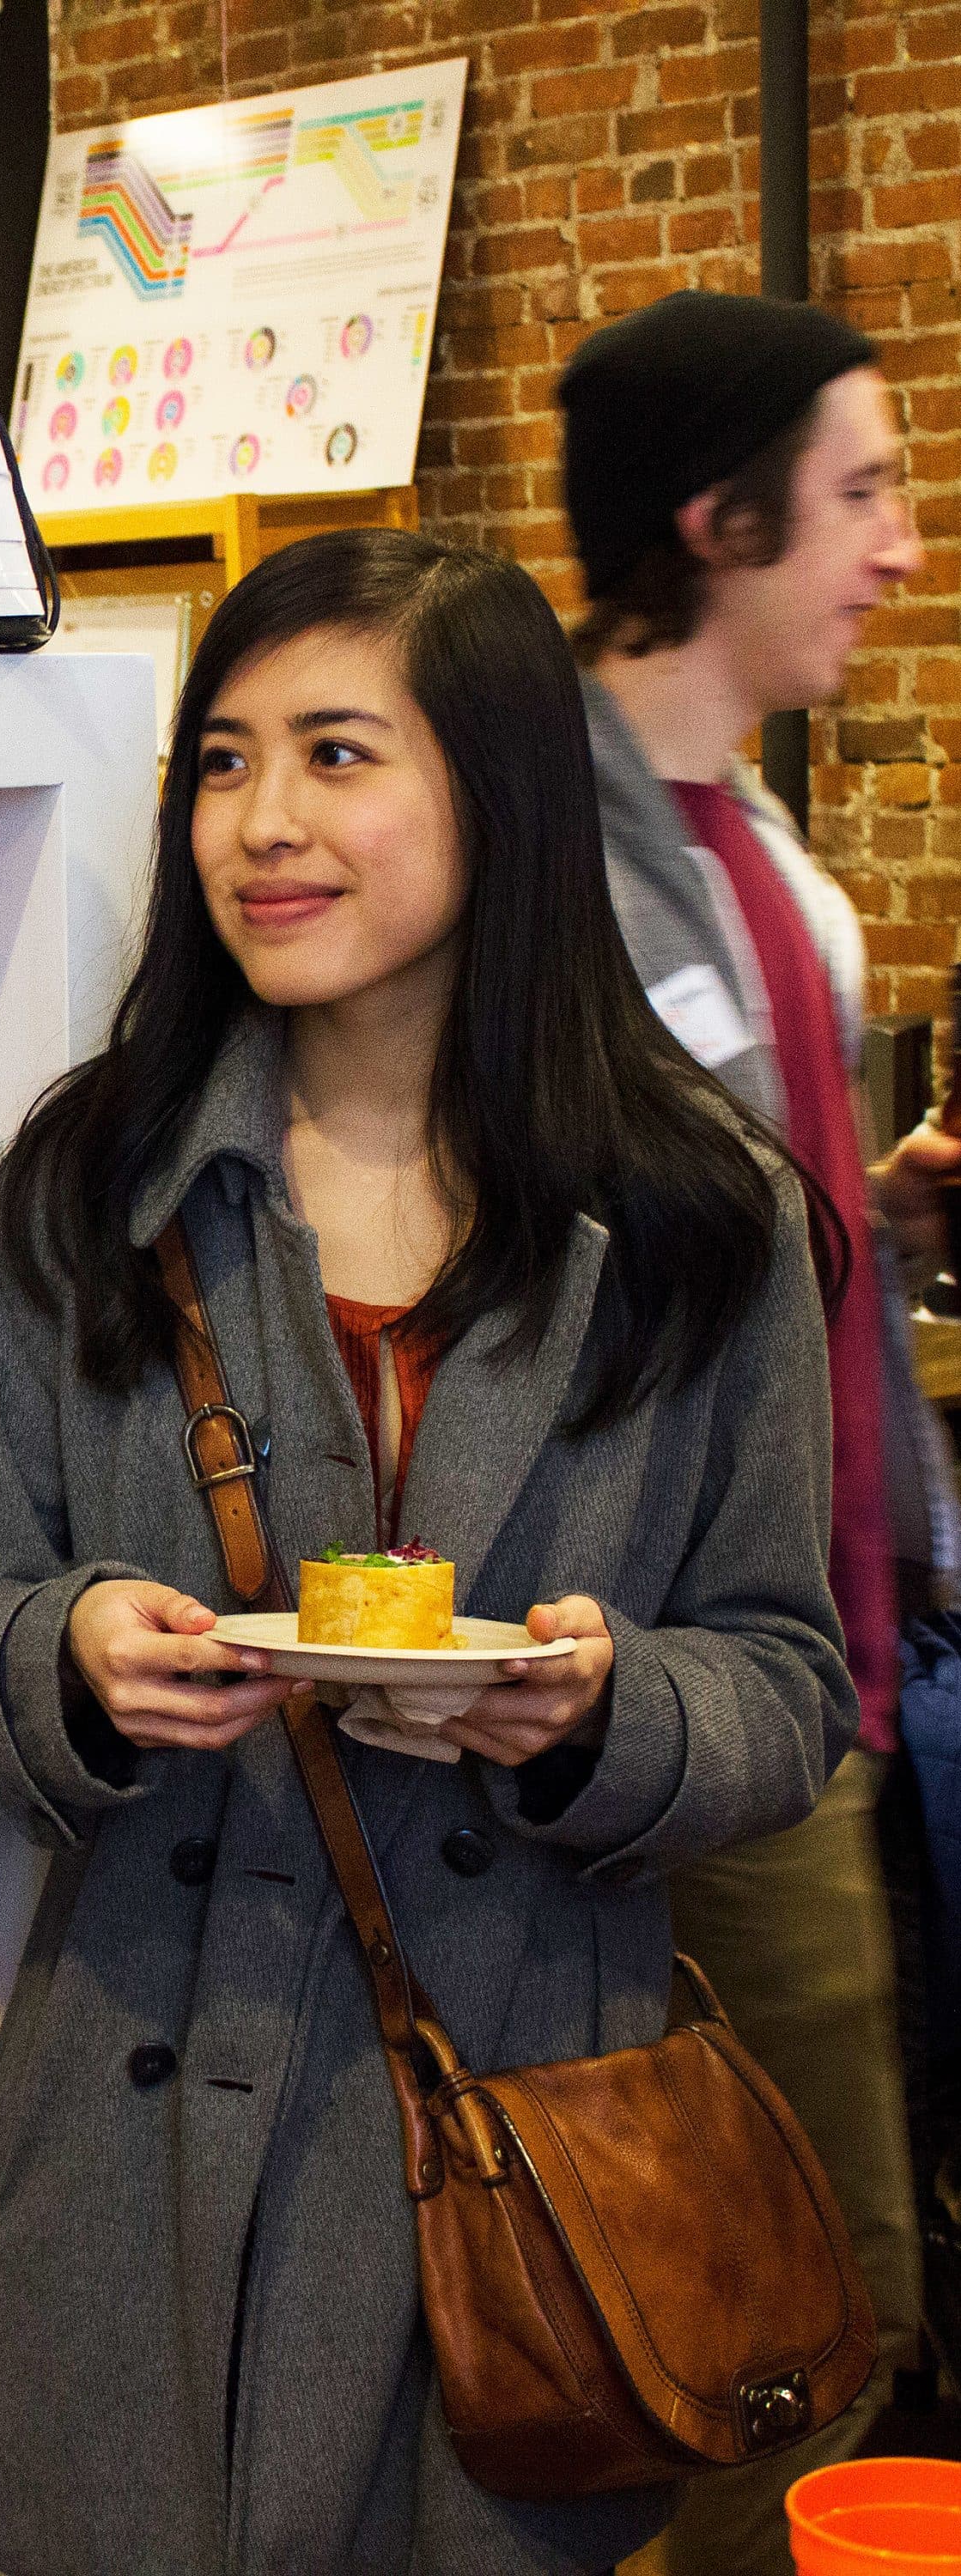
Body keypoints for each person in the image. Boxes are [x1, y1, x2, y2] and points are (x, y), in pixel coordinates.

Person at [0, 527, 853, 2576]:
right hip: (136, 2152)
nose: (263, 827)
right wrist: (70, 1665)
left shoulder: (696, 1221)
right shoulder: (95, 1185)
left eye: (338, 756)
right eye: (223, 764)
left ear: (495, 797)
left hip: (506, 2154)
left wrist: (603, 1713)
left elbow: (788, 1681)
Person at [560, 289, 961, 2574]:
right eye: (865, 492)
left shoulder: (747, 852)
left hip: (860, 1658)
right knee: (797, 2333)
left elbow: (738, 1240)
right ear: (718, 521)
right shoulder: (576, 866)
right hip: (731, 1695)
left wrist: (869, 1219)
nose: (900, 548)